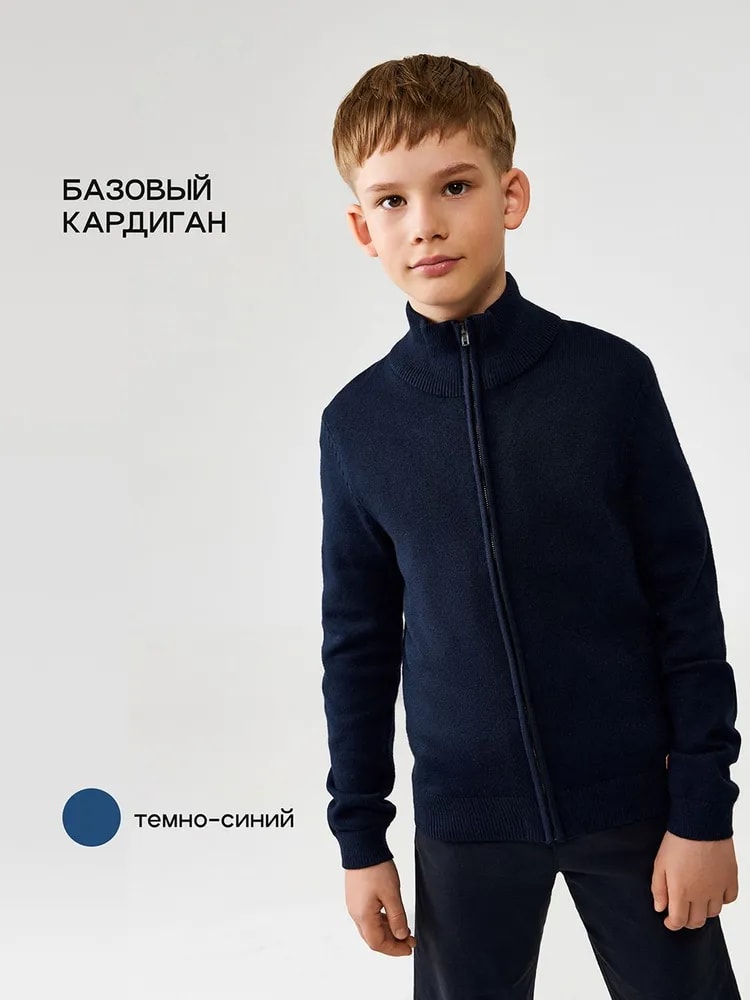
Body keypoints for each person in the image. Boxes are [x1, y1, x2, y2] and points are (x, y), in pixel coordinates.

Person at [318, 53, 742, 999]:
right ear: (362, 227)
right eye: (391, 200)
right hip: (465, 825)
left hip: (635, 806)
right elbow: (357, 646)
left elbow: (686, 604)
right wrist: (362, 839)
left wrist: (703, 810)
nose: (424, 223)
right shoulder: (357, 428)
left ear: (510, 196)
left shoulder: (610, 383)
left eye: (454, 186)